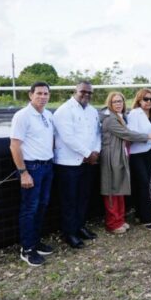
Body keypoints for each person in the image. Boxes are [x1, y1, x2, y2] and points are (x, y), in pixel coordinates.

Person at [10, 82, 55, 266]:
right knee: (30, 209)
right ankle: (27, 249)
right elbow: (14, 146)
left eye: (46, 94)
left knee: (42, 206)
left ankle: (35, 242)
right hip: (32, 168)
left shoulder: (48, 114)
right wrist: (23, 173)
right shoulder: (22, 116)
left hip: (47, 166)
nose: (42, 97)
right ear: (30, 95)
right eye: (39, 93)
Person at [52, 81, 101, 249]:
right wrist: (88, 153)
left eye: (89, 92)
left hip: (89, 162)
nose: (86, 95)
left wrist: (95, 151)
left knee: (83, 197)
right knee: (69, 199)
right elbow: (68, 137)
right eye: (83, 91)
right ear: (75, 91)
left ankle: (80, 226)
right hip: (69, 164)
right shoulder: (63, 111)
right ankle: (69, 233)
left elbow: (97, 134)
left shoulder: (93, 111)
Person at [99, 92, 151, 234]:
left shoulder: (121, 117)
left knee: (119, 188)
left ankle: (119, 220)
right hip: (111, 156)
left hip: (120, 155)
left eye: (120, 101)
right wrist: (147, 136)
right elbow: (127, 134)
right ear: (110, 104)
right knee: (111, 189)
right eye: (115, 102)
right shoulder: (110, 119)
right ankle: (112, 223)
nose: (118, 104)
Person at [127, 88, 151, 230]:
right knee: (143, 185)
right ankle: (146, 218)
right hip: (137, 154)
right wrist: (148, 137)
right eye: (145, 99)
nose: (149, 102)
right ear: (139, 100)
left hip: (148, 153)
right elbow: (131, 134)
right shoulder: (135, 114)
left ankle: (141, 214)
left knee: (144, 184)